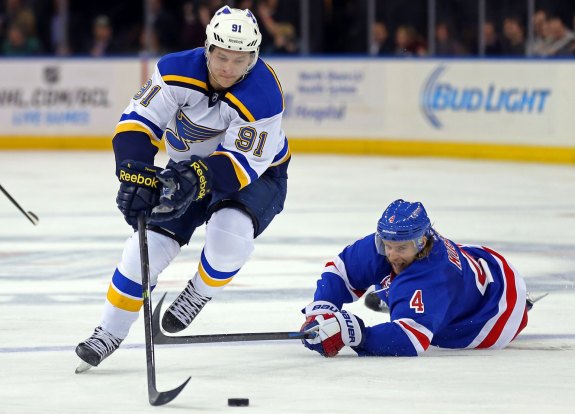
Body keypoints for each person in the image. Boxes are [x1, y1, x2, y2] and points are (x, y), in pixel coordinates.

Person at [75, 5, 289, 372]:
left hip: (256, 175)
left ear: (253, 58)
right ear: (207, 48)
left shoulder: (264, 95)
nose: (228, 68)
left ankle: (199, 293)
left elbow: (239, 165)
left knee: (229, 235)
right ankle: (108, 332)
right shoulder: (174, 70)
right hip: (184, 167)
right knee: (142, 252)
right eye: (221, 57)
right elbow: (138, 122)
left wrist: (193, 179)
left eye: (240, 60)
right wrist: (134, 173)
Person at [300, 199, 529, 357]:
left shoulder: (433, 277)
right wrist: (322, 309)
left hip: (493, 312)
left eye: (400, 247)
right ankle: (397, 298)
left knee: (414, 297)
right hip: (480, 264)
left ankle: (401, 300)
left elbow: (411, 338)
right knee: (398, 278)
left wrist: (357, 335)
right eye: (386, 245)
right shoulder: (394, 240)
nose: (391, 253)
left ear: (422, 242)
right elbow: (340, 270)